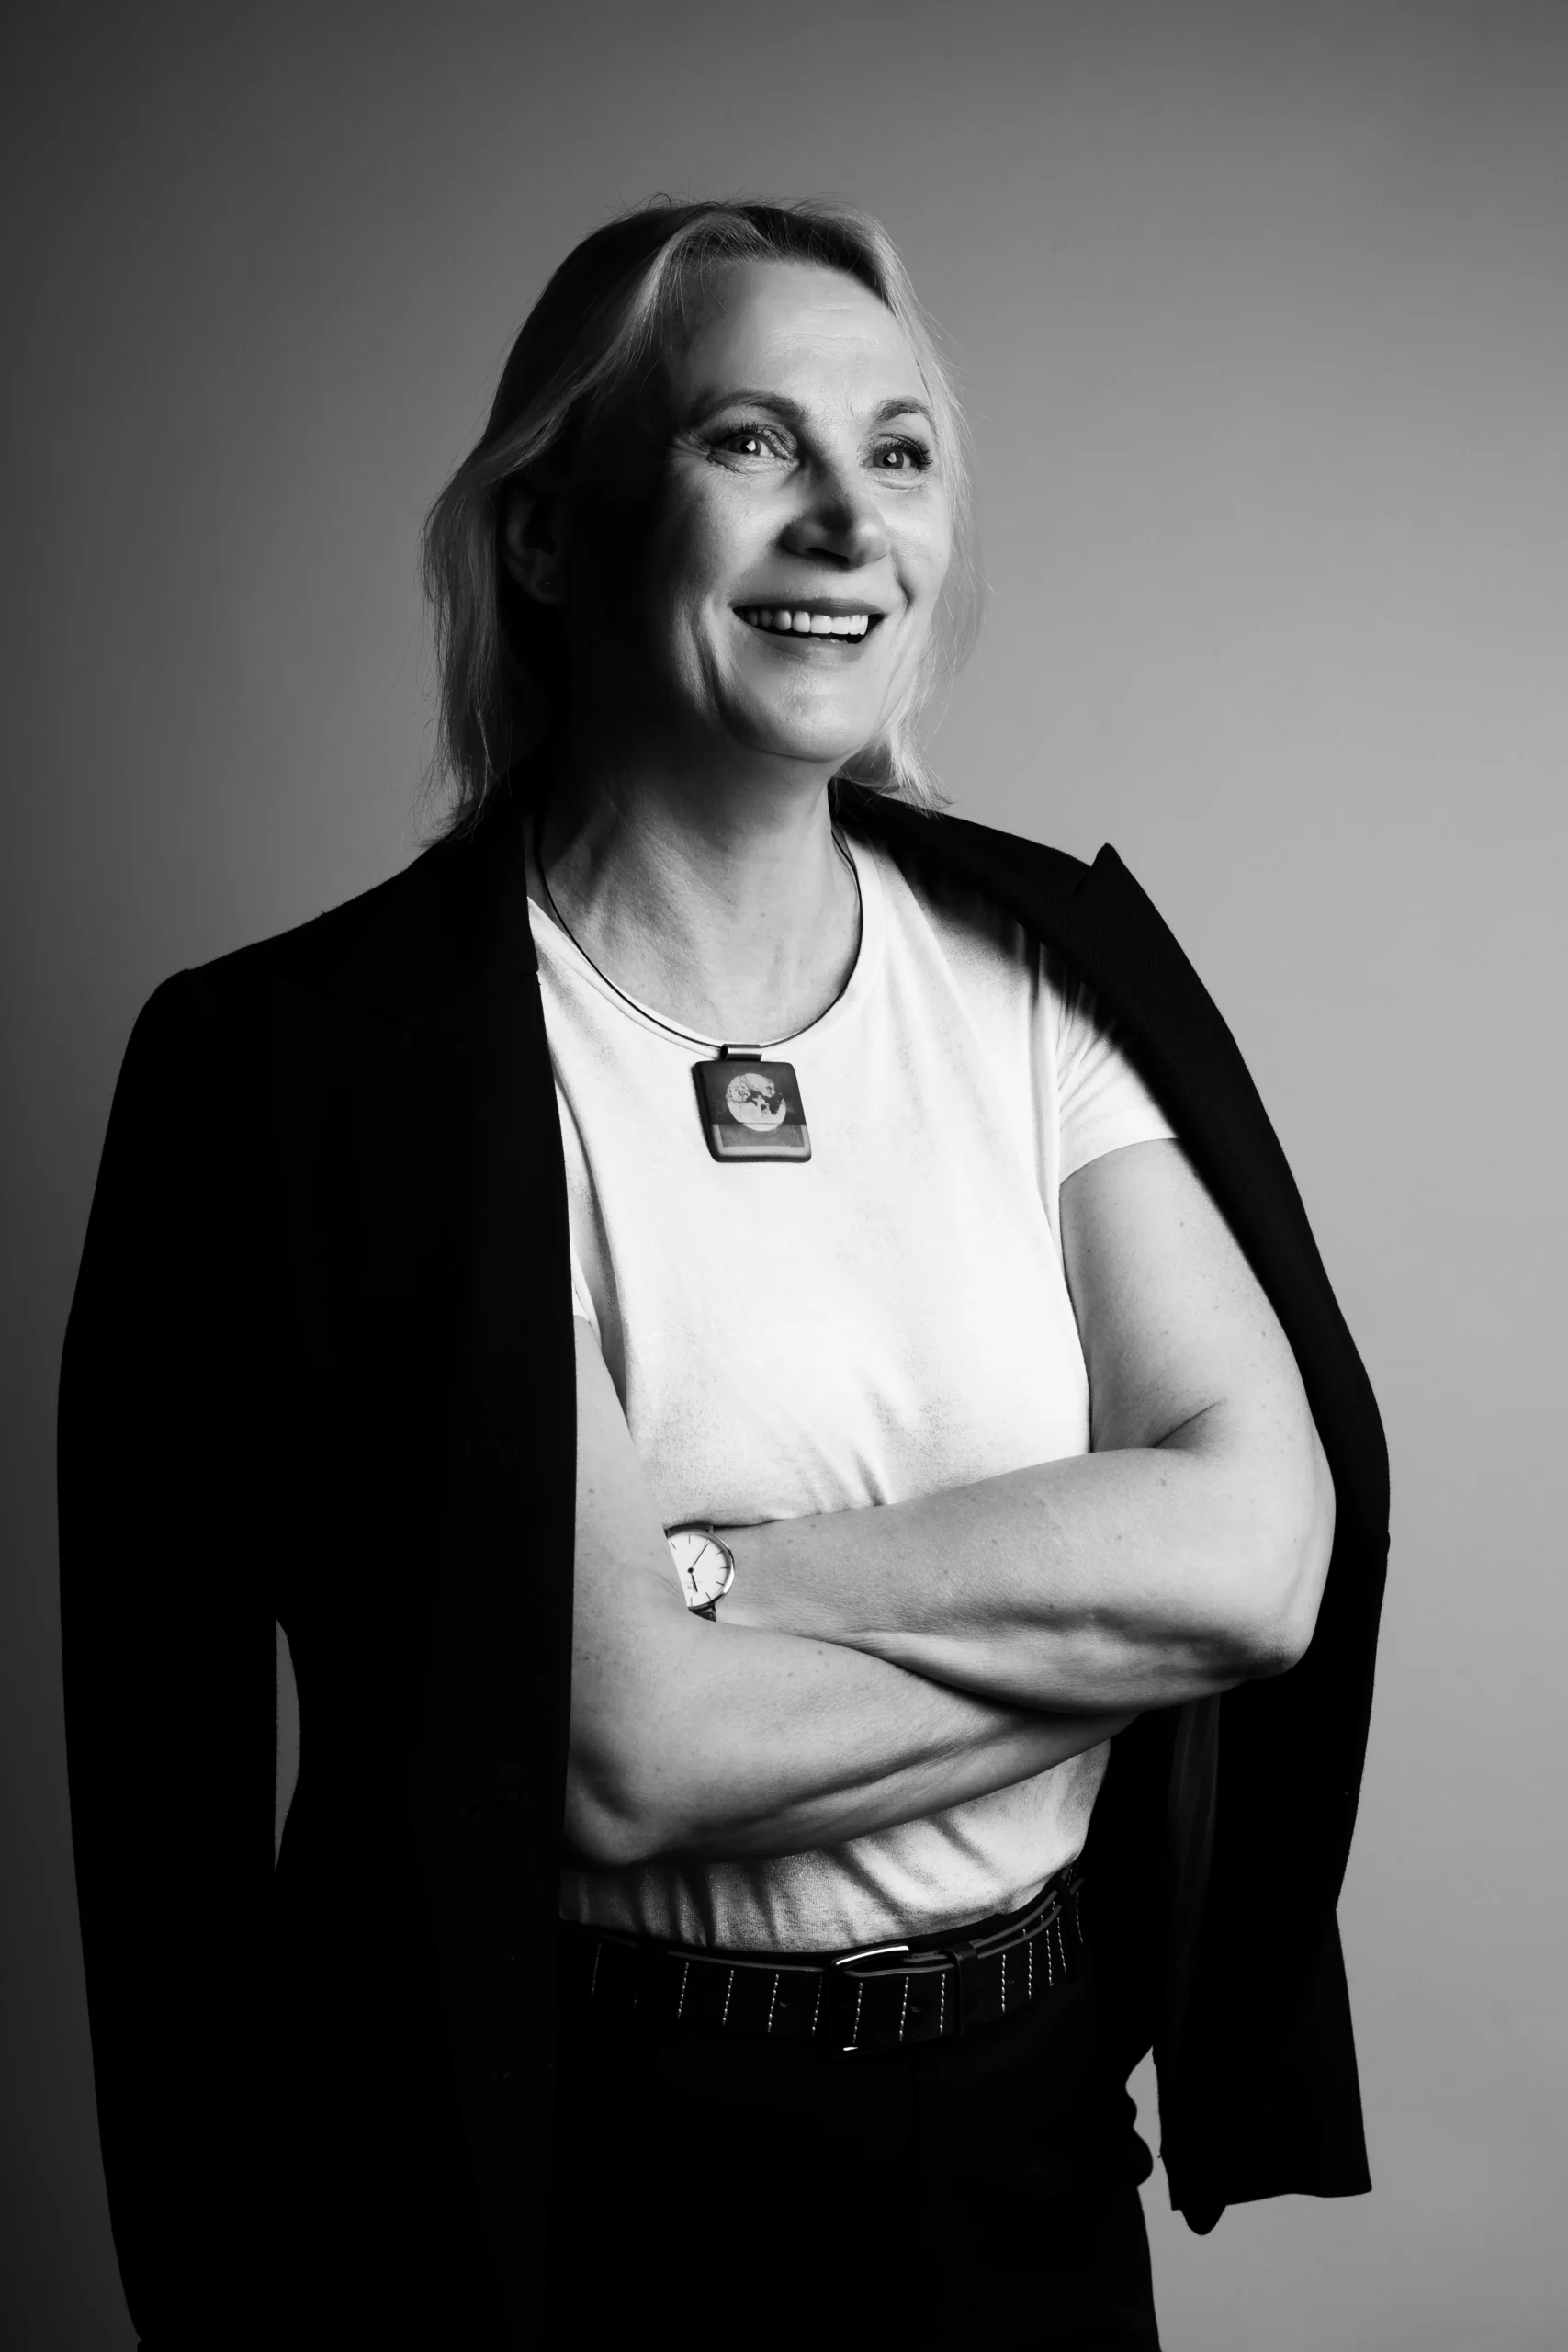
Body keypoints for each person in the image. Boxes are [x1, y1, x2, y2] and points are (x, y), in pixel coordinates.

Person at [58, 200, 1389, 2351]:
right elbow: (620, 1760)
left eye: (903, 452)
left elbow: (1262, 1560)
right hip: (577, 2170)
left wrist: (728, 1581)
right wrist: (1074, 1617)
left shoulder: (1049, 981)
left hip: (1028, 2144)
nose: (848, 518)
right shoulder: (301, 1070)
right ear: (555, 535)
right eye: (753, 443)